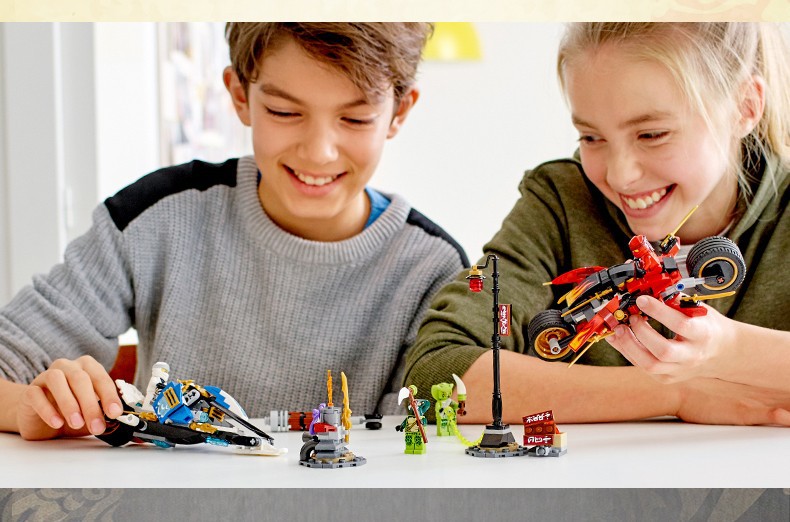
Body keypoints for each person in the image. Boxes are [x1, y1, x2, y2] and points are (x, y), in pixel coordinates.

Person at [0, 23, 468, 441]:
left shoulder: (434, 270)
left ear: (400, 111)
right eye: (284, 111)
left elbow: (414, 454)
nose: (319, 152)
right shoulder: (156, 217)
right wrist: (31, 408)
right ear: (240, 95)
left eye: (355, 118)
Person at [405, 22, 790, 426]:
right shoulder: (559, 202)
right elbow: (434, 379)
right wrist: (677, 391)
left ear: (745, 107)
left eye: (652, 134)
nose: (620, 176)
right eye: (591, 138)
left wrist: (731, 350)